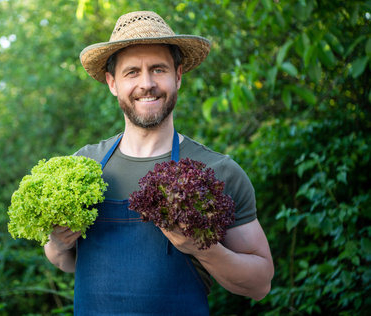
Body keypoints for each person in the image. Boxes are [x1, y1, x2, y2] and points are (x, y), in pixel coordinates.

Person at [44, 11, 274, 315]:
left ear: (177, 76)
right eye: (132, 72)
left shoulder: (218, 172)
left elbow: (259, 283)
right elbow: (64, 261)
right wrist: (59, 243)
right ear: (112, 83)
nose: (147, 83)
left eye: (158, 69)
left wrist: (201, 247)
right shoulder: (84, 167)